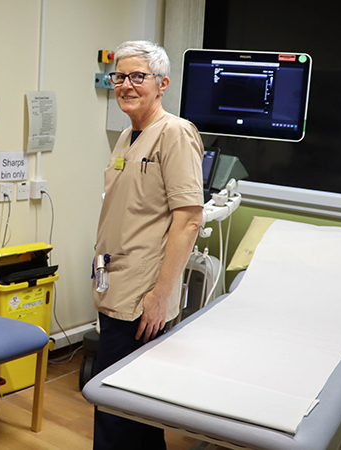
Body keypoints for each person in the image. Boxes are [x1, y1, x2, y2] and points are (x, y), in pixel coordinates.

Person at [92, 41, 204, 449]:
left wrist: (161, 295)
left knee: (115, 408)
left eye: (138, 76)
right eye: (120, 76)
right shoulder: (127, 136)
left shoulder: (174, 133)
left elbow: (189, 219)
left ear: (162, 84)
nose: (126, 85)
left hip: (141, 297)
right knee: (137, 411)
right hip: (115, 283)